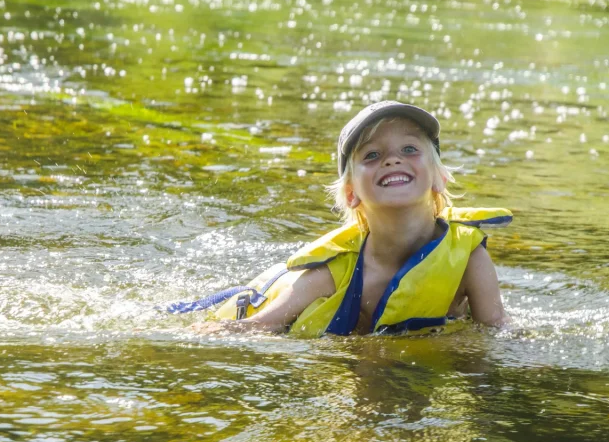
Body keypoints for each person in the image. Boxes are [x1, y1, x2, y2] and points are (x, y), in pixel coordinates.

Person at [182, 101, 511, 337]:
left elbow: (497, 333)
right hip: (251, 298)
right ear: (352, 194)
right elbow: (259, 325)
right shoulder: (331, 272)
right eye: (372, 155)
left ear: (439, 178)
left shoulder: (469, 257)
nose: (392, 160)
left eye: (410, 149)